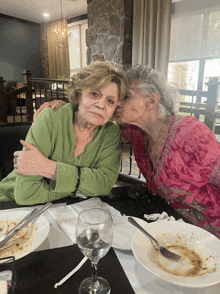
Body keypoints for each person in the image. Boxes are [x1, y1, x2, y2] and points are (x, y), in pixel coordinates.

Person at [39, 64, 220, 239]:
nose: (117, 102)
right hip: (169, 224)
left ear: (151, 101)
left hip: (208, 233)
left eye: (125, 96)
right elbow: (95, 122)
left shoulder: (191, 133)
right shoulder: (135, 132)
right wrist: (69, 108)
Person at [0, 61, 128, 206]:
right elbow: (27, 194)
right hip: (10, 205)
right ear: (79, 94)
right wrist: (82, 187)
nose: (101, 105)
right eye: (94, 94)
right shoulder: (50, 118)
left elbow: (104, 185)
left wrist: (48, 167)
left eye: (110, 101)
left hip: (64, 207)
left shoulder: (110, 132)